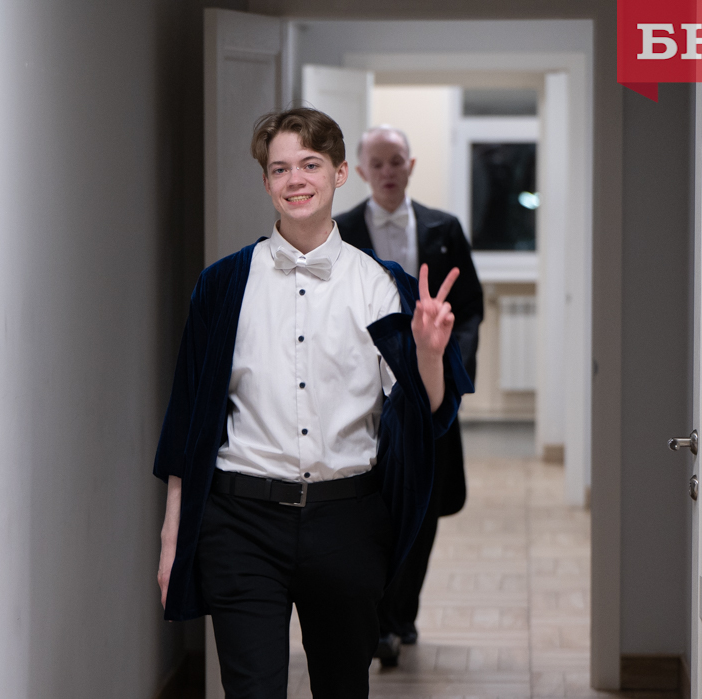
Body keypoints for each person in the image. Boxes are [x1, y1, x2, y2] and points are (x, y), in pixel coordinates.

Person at [153, 108, 473, 699]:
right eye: (280, 169)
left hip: (347, 523)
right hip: (241, 523)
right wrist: (173, 539)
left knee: (342, 689)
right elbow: (187, 421)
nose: (295, 179)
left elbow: (426, 412)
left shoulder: (381, 286)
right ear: (266, 182)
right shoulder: (222, 286)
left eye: (310, 164)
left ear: (340, 173)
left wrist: (430, 354)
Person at [335, 125, 484, 666]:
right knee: (372, 507)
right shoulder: (340, 231)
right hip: (364, 396)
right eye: (377, 163)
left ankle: (401, 615)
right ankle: (378, 619)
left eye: (396, 161)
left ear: (411, 165)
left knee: (423, 508)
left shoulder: (445, 229)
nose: (388, 172)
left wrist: (444, 370)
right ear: (360, 171)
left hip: (431, 394)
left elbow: (469, 310)